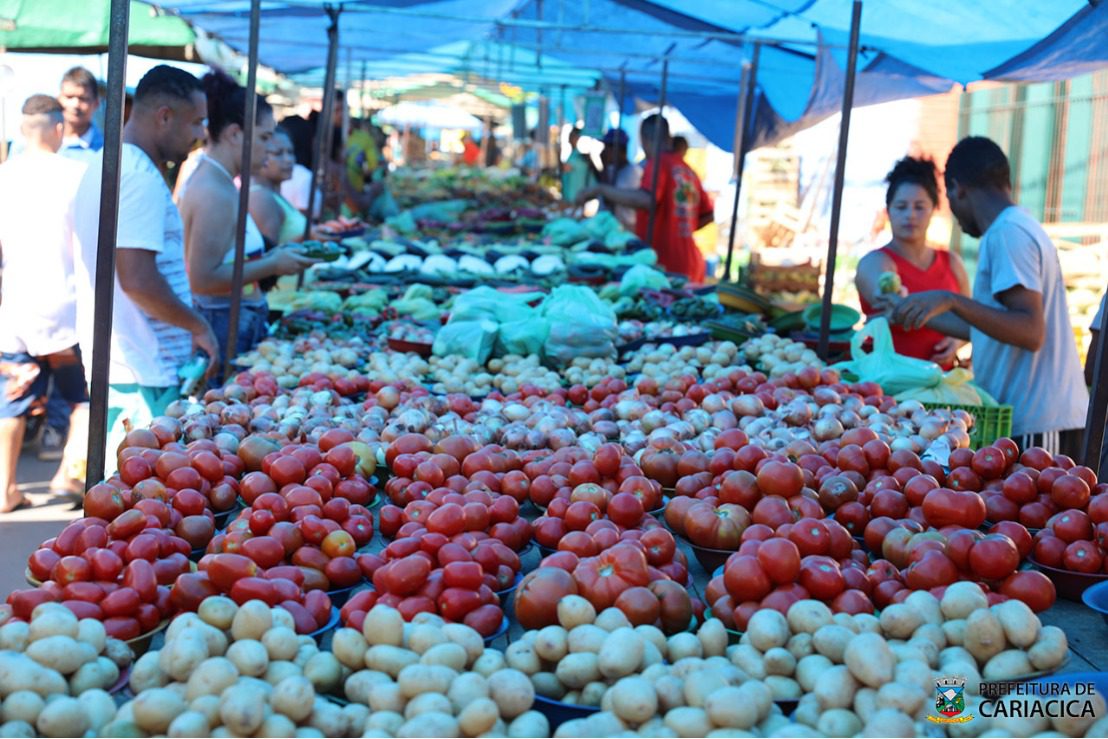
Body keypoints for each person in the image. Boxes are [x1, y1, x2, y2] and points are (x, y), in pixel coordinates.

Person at [890, 136, 1088, 455]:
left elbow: (1029, 331)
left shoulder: (1008, 233)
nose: (953, 210)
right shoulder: (1012, 228)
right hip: (1030, 420)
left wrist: (952, 299)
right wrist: (924, 313)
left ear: (958, 189)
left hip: (1040, 423)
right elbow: (992, 329)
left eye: (949, 198)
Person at [72, 66, 219, 470]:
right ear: (164, 116)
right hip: (143, 373)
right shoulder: (137, 177)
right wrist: (197, 325)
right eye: (196, 122)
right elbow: (137, 280)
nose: (202, 134)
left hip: (130, 364)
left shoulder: (114, 164)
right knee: (138, 497)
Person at [177, 71, 317, 365]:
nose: (270, 148)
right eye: (264, 137)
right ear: (235, 134)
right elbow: (202, 278)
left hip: (234, 324)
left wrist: (276, 254)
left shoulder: (222, 183)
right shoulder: (213, 191)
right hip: (223, 328)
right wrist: (273, 264)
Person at [0, 95, 89, 512]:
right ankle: (68, 478)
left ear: (22, 130)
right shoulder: (77, 174)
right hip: (66, 306)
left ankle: (5, 488)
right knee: (82, 397)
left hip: (16, 304)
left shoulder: (4, 176)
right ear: (58, 129)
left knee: (12, 396)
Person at [856, 156, 970, 369]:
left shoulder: (952, 262)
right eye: (901, 207)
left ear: (934, 209)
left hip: (941, 384)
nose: (911, 215)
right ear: (888, 211)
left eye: (919, 207)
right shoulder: (876, 262)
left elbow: (971, 321)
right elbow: (889, 303)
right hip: (886, 386)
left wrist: (956, 341)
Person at [576, 114, 713, 282]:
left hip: (665, 264)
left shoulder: (657, 163)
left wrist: (602, 189)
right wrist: (676, 228)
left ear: (644, 138)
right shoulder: (687, 170)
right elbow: (708, 215)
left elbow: (646, 200)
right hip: (690, 262)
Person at [250, 128, 309, 246]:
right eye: (278, 153)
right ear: (259, 155)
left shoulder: (274, 194)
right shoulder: (261, 198)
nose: (288, 160)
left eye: (290, 152)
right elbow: (268, 256)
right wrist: (308, 236)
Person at [596, 128, 642, 231]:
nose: (603, 152)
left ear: (618, 150)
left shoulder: (633, 172)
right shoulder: (611, 169)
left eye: (607, 148)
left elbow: (609, 199)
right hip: (607, 228)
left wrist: (603, 166)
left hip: (624, 229)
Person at [58, 67, 104, 160]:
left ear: (96, 104)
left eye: (83, 98)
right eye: (69, 97)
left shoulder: (105, 151)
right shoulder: (42, 144)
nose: (75, 105)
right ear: (58, 99)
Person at [561, 127, 594, 203]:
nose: (569, 139)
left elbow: (567, 168)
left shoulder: (580, 156)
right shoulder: (572, 155)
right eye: (569, 136)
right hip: (569, 196)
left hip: (577, 197)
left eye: (572, 136)